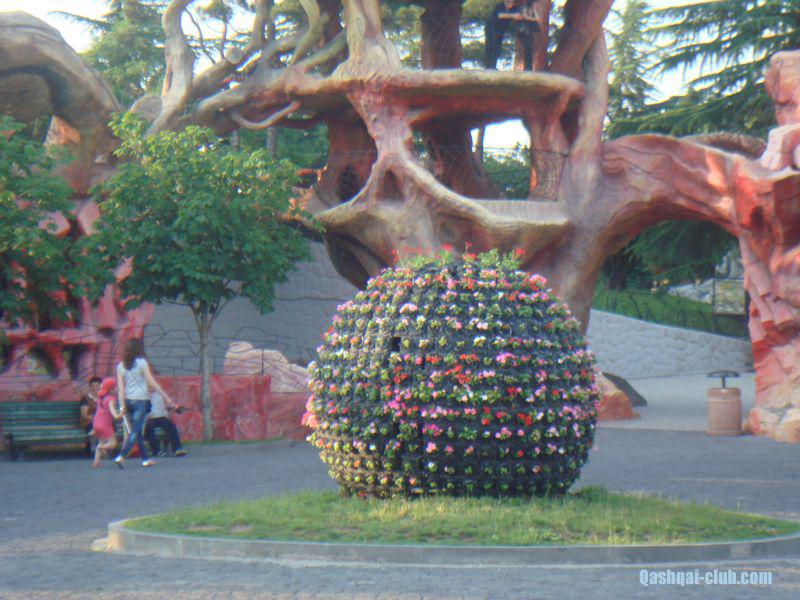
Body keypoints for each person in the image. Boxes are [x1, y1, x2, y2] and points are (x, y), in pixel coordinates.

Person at [114, 338, 175, 468]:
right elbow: (150, 381)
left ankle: (145, 459)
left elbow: (120, 388)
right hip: (140, 401)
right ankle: (122, 456)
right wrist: (165, 396)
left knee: (136, 431)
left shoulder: (120, 366)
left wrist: (122, 406)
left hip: (128, 401)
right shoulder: (142, 363)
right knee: (135, 431)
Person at [484, 0, 541, 71]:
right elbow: (500, 15)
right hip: (491, 27)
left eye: (512, 2)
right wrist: (513, 16)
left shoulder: (514, 9)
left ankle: (492, 66)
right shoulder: (500, 6)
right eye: (509, 2)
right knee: (491, 45)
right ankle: (489, 66)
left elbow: (522, 16)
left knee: (497, 48)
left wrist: (532, 12)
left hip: (500, 30)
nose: (510, 4)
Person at [144, 390, 186, 457]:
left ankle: (177, 449)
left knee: (171, 426)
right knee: (149, 428)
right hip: (150, 418)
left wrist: (168, 410)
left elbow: (167, 405)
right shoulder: (143, 395)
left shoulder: (160, 394)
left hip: (161, 416)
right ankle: (157, 451)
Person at [91, 378, 121, 468]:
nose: (117, 388)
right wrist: (121, 413)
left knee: (101, 441)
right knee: (112, 443)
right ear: (111, 389)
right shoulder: (111, 399)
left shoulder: (101, 398)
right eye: (115, 387)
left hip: (96, 422)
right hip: (105, 424)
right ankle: (101, 448)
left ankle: (96, 462)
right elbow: (114, 414)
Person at [79, 376, 101, 454]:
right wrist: (96, 418)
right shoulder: (85, 399)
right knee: (93, 427)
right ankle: (93, 448)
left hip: (102, 422)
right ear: (89, 387)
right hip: (89, 421)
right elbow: (84, 415)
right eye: (92, 386)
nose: (94, 388)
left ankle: (105, 450)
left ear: (100, 387)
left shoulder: (103, 398)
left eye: (97, 386)